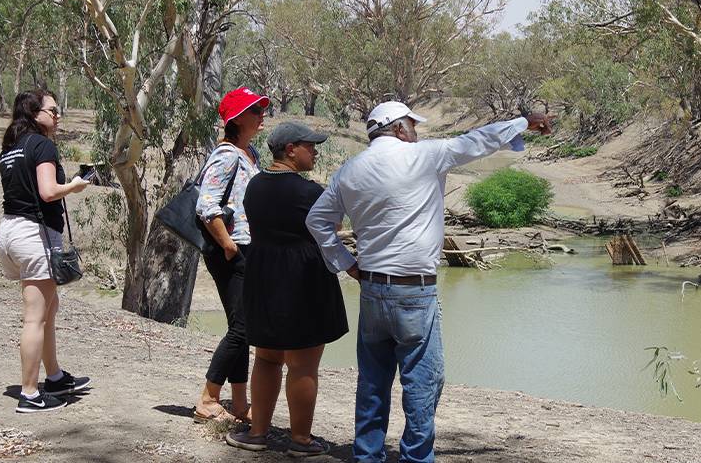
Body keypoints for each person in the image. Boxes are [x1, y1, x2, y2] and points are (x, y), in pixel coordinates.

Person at [305, 101, 552, 462]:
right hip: (415, 290)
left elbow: (317, 221)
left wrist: (347, 264)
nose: (417, 132)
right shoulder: (425, 155)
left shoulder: (349, 170)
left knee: (373, 382)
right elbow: (479, 140)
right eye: (413, 126)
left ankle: (367, 455)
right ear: (401, 129)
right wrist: (523, 123)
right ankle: (416, 457)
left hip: (372, 288)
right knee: (422, 383)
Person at [226, 122, 348, 457]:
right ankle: (301, 440)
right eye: (310, 145)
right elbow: (333, 224)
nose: (316, 150)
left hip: (263, 277)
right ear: (291, 149)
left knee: (266, 358)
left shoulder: (255, 186)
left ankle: (257, 432)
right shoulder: (308, 192)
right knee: (303, 365)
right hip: (304, 279)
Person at [0, 89, 92, 413]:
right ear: (35, 113)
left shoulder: (11, 148)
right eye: (53, 110)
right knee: (35, 318)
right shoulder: (43, 145)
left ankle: (55, 377)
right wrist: (75, 185)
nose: (58, 114)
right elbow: (49, 191)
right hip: (33, 236)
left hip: (11, 232)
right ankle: (29, 394)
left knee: (48, 308)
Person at [192, 86, 269, 423]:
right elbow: (206, 205)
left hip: (246, 248)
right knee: (243, 327)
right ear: (237, 118)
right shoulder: (227, 154)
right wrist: (228, 245)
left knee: (242, 327)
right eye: (255, 110)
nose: (261, 114)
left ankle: (239, 404)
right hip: (232, 250)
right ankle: (208, 399)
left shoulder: (250, 152)